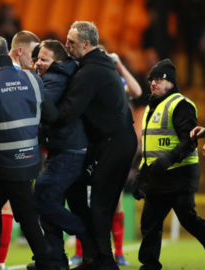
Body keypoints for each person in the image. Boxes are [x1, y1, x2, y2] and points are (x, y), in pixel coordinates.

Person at [0, 34, 55, 270]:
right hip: (29, 159)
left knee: (23, 214)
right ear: (8, 53)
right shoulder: (32, 78)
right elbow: (49, 115)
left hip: (3, 161)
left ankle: (45, 262)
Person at [54, 21, 137, 270]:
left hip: (114, 142)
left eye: (71, 42)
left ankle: (104, 261)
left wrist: (44, 113)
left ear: (87, 44)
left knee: (100, 204)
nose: (67, 46)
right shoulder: (99, 64)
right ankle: (95, 257)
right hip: (118, 140)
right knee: (95, 200)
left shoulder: (89, 72)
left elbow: (68, 113)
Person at [133, 59, 205, 270]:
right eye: (151, 79)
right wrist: (141, 175)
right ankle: (149, 265)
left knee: (188, 219)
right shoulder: (151, 108)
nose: (153, 83)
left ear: (171, 83)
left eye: (159, 79)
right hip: (157, 174)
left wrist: (168, 159)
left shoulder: (180, 104)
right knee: (150, 221)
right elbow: (150, 148)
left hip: (180, 173)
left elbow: (190, 141)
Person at [70, 45, 143, 268]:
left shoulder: (114, 83)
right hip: (91, 146)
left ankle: (117, 252)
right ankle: (82, 252)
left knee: (112, 202)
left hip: (110, 147)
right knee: (86, 202)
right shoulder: (85, 80)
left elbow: (137, 91)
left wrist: (119, 64)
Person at [32, 39, 87, 270]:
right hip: (63, 150)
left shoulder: (55, 78)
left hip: (67, 152)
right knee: (50, 206)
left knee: (40, 197)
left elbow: (43, 110)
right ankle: (54, 262)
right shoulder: (62, 74)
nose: (38, 64)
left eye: (44, 59)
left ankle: (87, 231)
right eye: (36, 59)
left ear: (58, 61)